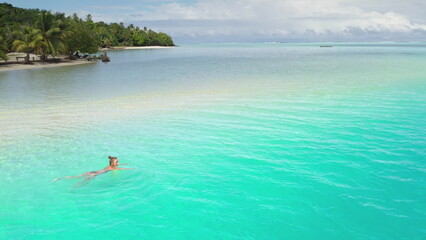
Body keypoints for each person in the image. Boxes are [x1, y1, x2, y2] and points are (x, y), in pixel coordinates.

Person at [52, 156, 132, 182]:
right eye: (116, 162)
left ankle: (59, 179)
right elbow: (122, 168)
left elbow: (117, 165)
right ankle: (74, 189)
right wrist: (131, 168)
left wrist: (123, 164)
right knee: (83, 182)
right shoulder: (113, 168)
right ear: (112, 163)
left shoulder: (109, 166)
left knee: (76, 176)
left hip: (92, 172)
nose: (117, 163)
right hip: (94, 174)